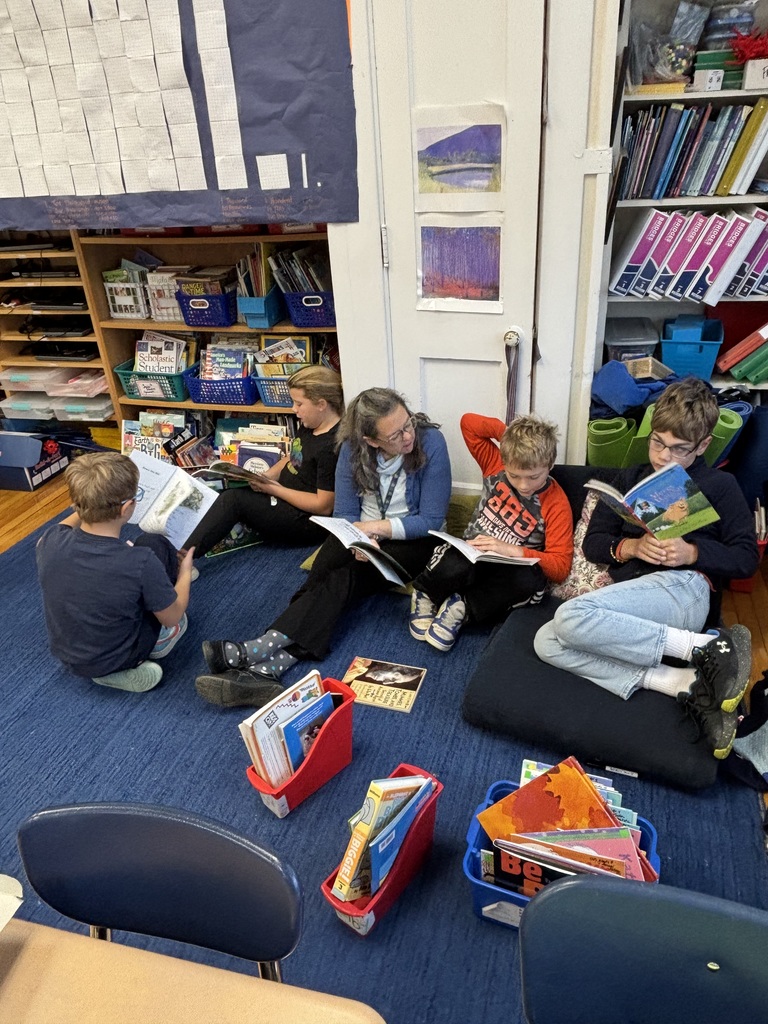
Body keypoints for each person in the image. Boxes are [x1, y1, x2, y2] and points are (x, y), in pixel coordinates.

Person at [533, 377, 759, 760]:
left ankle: (706, 646)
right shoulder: (632, 477)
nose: (663, 458)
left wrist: (692, 552)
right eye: (657, 442)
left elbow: (746, 557)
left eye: (679, 450)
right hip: (630, 596)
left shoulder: (720, 485)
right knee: (546, 641)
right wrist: (630, 546)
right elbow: (593, 543)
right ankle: (682, 681)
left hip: (684, 589)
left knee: (570, 616)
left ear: (703, 445)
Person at [195, 387, 452, 707]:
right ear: (371, 441)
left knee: (347, 580)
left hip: (413, 540)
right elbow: (344, 512)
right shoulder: (351, 448)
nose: (407, 435)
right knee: (320, 576)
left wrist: (375, 530)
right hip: (359, 532)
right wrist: (356, 537)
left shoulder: (430, 442)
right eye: (395, 434)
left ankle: (259, 651)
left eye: (408, 423)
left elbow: (429, 519)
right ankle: (267, 672)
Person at [409, 413, 574, 651]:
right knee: (453, 557)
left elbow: (560, 567)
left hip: (509, 568)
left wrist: (515, 551)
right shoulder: (495, 464)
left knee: (532, 582)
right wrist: (509, 438)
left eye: (534, 477)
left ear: (550, 465)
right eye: (514, 475)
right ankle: (426, 592)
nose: (523, 485)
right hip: (472, 552)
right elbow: (468, 423)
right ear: (505, 463)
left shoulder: (556, 503)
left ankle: (461, 607)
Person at [36, 451, 194, 693]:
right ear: (127, 508)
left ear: (76, 504)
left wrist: (90, 503)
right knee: (174, 610)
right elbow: (172, 617)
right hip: (119, 655)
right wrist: (183, 573)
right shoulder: (140, 562)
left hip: (69, 656)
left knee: (151, 543)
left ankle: (110, 667)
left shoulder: (50, 540)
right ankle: (134, 661)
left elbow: (65, 526)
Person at [182, 365, 344, 559]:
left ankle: (184, 559)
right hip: (282, 496)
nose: (294, 409)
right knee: (226, 488)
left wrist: (272, 489)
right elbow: (292, 458)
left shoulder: (331, 447)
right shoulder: (311, 425)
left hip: (306, 522)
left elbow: (323, 506)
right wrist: (266, 477)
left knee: (233, 501)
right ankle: (185, 536)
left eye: (299, 404)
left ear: (321, 404)